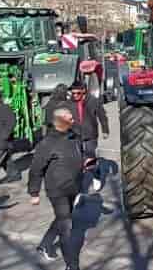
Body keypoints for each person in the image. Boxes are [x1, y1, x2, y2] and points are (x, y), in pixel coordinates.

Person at [28, 108, 93, 270]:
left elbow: (80, 154)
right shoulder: (47, 143)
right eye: (70, 119)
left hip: (74, 187)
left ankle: (44, 244)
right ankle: (72, 265)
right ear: (61, 121)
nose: (74, 120)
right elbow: (36, 169)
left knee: (63, 218)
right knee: (66, 226)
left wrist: (86, 161)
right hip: (57, 190)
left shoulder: (74, 137)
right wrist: (34, 192)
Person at [68, 82, 109, 201]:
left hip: (90, 135)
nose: (75, 95)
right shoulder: (69, 103)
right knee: (77, 163)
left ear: (84, 91)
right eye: (73, 93)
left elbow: (102, 116)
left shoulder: (93, 101)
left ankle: (96, 175)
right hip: (74, 135)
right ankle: (79, 191)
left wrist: (105, 130)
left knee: (90, 159)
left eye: (78, 93)